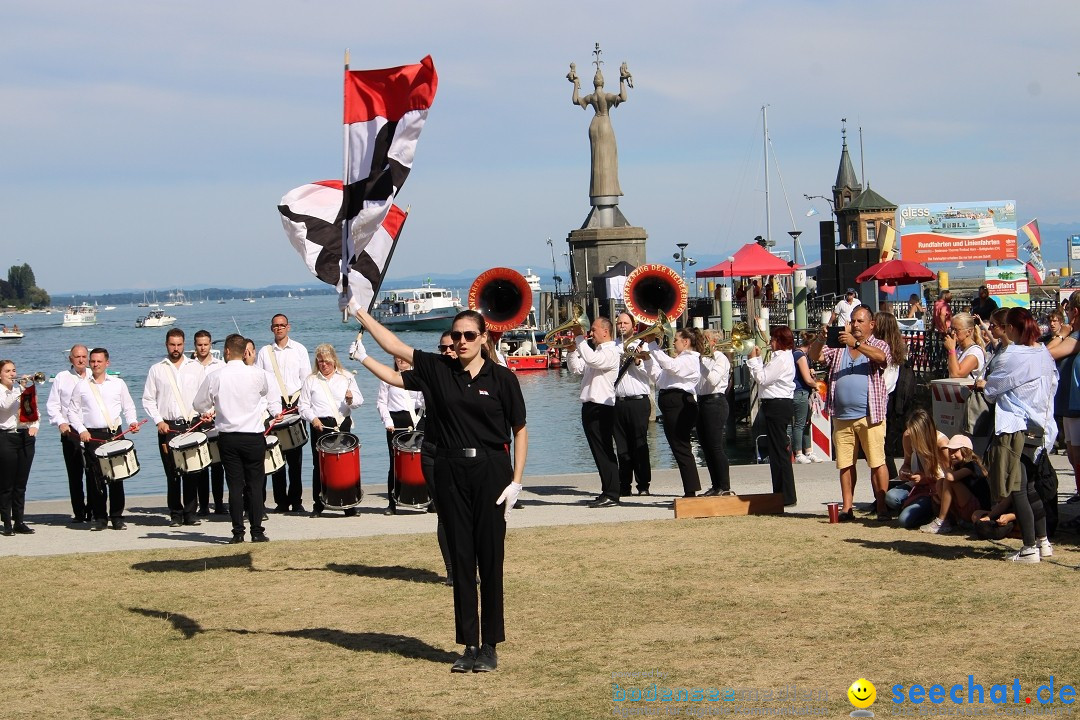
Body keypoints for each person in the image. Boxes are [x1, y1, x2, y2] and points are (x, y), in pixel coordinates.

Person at [351, 308, 527, 674]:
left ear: (483, 339)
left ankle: (491, 645)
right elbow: (395, 345)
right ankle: (469, 644)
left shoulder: (502, 379)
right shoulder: (437, 369)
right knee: (462, 558)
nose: (461, 341)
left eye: (469, 335)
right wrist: (362, 315)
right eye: (456, 335)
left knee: (490, 559)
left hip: (491, 470)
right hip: (449, 470)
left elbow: (519, 429)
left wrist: (516, 481)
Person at [978, 308, 1057, 562]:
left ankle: (1029, 547)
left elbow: (992, 389)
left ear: (1011, 328)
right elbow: (1053, 383)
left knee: (1019, 488)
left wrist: (985, 386)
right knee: (1031, 486)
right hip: (1042, 427)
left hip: (1016, 427)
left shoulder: (1011, 355)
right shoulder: (1043, 352)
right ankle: (1043, 542)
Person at [810, 306, 892, 521]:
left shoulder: (877, 344)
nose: (855, 325)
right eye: (853, 320)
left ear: (871, 324)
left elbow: (882, 358)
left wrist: (856, 344)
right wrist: (821, 338)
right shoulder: (838, 346)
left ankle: (882, 507)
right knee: (845, 464)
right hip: (841, 415)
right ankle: (847, 508)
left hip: (870, 415)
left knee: (876, 461)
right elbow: (815, 355)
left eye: (860, 321)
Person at [195, 334, 273, 544]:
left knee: (235, 486)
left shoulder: (216, 375)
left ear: (227, 352)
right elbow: (264, 391)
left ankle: (238, 532)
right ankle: (257, 531)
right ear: (245, 352)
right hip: (253, 435)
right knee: (255, 485)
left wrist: (211, 409)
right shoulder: (257, 374)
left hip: (229, 436)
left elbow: (199, 404)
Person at [70, 348, 140, 531]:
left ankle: (117, 516)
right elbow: (72, 412)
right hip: (92, 435)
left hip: (115, 433)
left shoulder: (118, 384)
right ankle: (100, 517)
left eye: (99, 361)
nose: (95, 364)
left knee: (117, 476)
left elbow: (129, 406)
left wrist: (132, 422)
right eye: (92, 361)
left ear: (107, 363)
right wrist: (82, 430)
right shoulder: (82, 386)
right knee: (95, 478)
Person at [142, 328, 205, 527]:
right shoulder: (157, 369)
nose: (175, 349)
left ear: (184, 344)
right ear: (166, 345)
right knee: (172, 473)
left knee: (192, 471)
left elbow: (204, 395)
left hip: (191, 425)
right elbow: (148, 399)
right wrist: (158, 420)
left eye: (179, 345)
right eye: (172, 345)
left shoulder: (195, 368)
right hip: (167, 427)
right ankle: (175, 514)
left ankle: (190, 513)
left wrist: (206, 413)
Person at [256, 314, 312, 514]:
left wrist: (304, 406)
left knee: (296, 458)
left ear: (288, 327)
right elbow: (260, 383)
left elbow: (306, 380)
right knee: (275, 455)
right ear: (271, 328)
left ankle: (296, 500)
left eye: (282, 325)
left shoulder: (299, 350)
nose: (279, 329)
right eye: (275, 326)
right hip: (274, 405)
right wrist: (268, 410)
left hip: (295, 404)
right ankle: (281, 501)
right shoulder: (264, 352)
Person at [300, 344, 363, 518]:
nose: (323, 364)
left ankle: (348, 504)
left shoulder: (347, 377)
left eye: (326, 361)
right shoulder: (311, 380)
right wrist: (313, 419)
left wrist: (350, 399)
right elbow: (303, 406)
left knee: (345, 465)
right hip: (320, 425)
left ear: (334, 360)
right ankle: (318, 504)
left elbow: (359, 401)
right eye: (320, 361)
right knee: (319, 465)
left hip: (342, 423)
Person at [567, 316, 620, 507]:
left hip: (602, 407)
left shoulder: (612, 352)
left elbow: (592, 360)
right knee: (597, 451)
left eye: (594, 329)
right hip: (590, 406)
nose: (591, 333)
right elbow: (577, 369)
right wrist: (573, 351)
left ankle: (613, 493)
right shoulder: (596, 351)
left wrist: (580, 339)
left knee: (605, 450)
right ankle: (607, 490)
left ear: (605, 331)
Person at [646, 327, 704, 499]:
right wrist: (648, 360)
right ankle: (690, 488)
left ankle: (691, 491)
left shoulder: (690, 359)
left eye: (676, 339)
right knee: (678, 447)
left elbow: (670, 366)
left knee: (681, 446)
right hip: (671, 402)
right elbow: (659, 378)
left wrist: (652, 344)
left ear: (686, 342)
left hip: (679, 403)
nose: (673, 342)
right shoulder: (680, 360)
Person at [567, 57, 632, 199]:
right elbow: (624, 97)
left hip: (593, 125)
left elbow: (575, 100)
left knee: (597, 159)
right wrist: (622, 81)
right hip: (604, 124)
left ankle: (598, 189)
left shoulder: (591, 97)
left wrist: (576, 84)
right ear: (603, 82)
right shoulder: (606, 96)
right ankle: (611, 188)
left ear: (594, 83)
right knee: (609, 156)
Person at [747, 326, 797, 506]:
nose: (771, 342)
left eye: (774, 339)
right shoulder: (781, 358)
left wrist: (753, 360)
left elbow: (762, 378)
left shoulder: (781, 359)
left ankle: (785, 495)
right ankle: (780, 493)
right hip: (776, 404)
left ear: (780, 341)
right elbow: (765, 377)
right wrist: (758, 359)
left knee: (779, 451)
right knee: (776, 451)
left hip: (777, 404)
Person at [45, 344, 93, 523]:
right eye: (77, 357)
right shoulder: (62, 378)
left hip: (91, 430)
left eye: (83, 356)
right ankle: (79, 512)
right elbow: (53, 405)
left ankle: (94, 509)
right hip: (70, 432)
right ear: (70, 359)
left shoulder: (92, 376)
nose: (81, 360)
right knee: (75, 474)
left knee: (93, 472)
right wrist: (60, 423)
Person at [883, 410, 949, 529]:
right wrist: (904, 472)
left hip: (935, 490)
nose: (909, 434)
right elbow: (906, 463)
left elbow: (948, 477)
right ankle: (914, 508)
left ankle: (926, 511)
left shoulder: (941, 443)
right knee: (891, 497)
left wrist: (925, 478)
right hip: (915, 485)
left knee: (904, 521)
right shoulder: (908, 436)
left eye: (914, 433)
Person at [376, 356, 426, 515]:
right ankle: (392, 503)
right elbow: (381, 403)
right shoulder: (388, 377)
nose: (401, 360)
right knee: (395, 462)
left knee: (425, 460)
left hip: (419, 419)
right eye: (397, 358)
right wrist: (388, 422)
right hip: (396, 422)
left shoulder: (420, 376)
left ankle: (429, 499)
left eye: (403, 357)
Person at [613, 312, 652, 496]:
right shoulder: (612, 346)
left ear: (633, 325)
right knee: (621, 447)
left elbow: (653, 376)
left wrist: (639, 362)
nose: (622, 326)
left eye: (625, 323)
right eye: (619, 322)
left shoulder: (642, 345)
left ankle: (643, 485)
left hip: (638, 401)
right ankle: (624, 485)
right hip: (617, 401)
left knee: (639, 444)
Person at [919, 434, 991, 533]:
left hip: (977, 509)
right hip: (965, 507)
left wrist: (946, 465)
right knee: (940, 482)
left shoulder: (972, 466)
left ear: (966, 451)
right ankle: (955, 520)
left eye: (955, 451)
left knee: (948, 480)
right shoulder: (958, 466)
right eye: (950, 451)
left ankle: (941, 521)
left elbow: (951, 478)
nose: (951, 455)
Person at [1047, 293, 1080, 505]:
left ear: (1075, 312)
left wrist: (1062, 335)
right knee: (1072, 453)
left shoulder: (1076, 337)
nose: (1066, 315)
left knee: (1077, 456)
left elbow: (1046, 354)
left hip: (1076, 406)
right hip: (1070, 405)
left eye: (1067, 311)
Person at [0, 361, 39, 535]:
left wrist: (35, 426)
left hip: (25, 436)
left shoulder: (21, 391)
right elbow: (5, 407)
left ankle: (19, 521)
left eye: (13, 370)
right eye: (7, 371)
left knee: (21, 484)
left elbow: (33, 410)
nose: (12, 374)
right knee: (6, 483)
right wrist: (19, 389)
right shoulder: (6, 392)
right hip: (6, 437)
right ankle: (6, 521)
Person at [192, 329, 226, 515]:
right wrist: (199, 412)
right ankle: (203, 504)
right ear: (195, 346)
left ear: (211, 345)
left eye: (206, 344)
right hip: (196, 419)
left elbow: (222, 393)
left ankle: (219, 503)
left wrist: (213, 412)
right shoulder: (190, 366)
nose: (203, 348)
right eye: (199, 344)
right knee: (200, 464)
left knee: (217, 464)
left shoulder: (220, 366)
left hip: (215, 418)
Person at [873, 312, 910, 479]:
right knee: (883, 450)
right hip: (892, 402)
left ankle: (888, 487)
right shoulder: (897, 348)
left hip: (884, 402)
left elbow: (886, 382)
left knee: (881, 451)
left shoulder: (883, 349)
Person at [697, 329, 733, 494]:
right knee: (706, 446)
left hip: (716, 402)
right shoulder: (702, 359)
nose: (702, 342)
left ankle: (724, 486)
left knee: (715, 446)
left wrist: (700, 362)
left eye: (706, 339)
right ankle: (715, 484)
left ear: (714, 342)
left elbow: (712, 380)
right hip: (702, 402)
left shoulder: (720, 358)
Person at [791, 331, 819, 465]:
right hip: (800, 392)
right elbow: (807, 379)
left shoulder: (804, 356)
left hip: (805, 392)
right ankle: (798, 453)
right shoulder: (800, 355)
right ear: (812, 345)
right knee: (800, 423)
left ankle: (808, 451)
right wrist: (817, 385)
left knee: (807, 423)